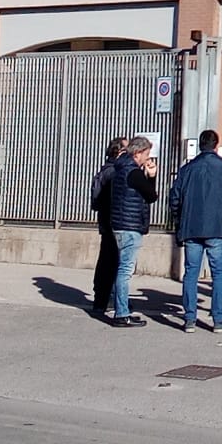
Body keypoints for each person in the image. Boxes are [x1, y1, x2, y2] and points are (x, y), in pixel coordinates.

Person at [173, 129, 222, 333]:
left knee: (191, 273)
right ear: (216, 146)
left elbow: (175, 198)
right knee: (219, 273)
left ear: (200, 145)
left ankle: (190, 318)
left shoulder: (187, 169)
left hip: (192, 227)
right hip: (217, 226)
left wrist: (179, 221)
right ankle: (218, 319)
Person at [105, 137, 159, 326]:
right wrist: (152, 176)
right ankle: (121, 313)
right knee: (125, 270)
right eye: (146, 154)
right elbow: (151, 196)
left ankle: (121, 307)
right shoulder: (134, 172)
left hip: (119, 223)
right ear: (137, 153)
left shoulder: (120, 168)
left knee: (122, 267)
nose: (148, 158)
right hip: (130, 225)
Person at [90, 136, 128, 318]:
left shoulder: (104, 171)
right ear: (118, 152)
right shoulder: (114, 172)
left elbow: (96, 201)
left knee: (106, 259)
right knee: (113, 261)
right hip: (114, 221)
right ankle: (109, 298)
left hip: (106, 221)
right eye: (126, 150)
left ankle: (101, 299)